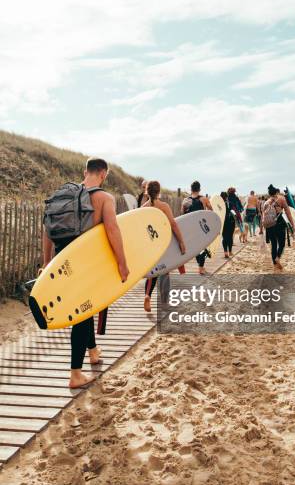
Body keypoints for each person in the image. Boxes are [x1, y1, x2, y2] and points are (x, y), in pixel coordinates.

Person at [41, 158, 129, 388]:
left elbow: (47, 231)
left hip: (61, 263)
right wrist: (122, 263)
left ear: (85, 172)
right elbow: (112, 229)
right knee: (83, 313)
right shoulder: (103, 198)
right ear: (103, 174)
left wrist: (47, 263)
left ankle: (93, 352)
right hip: (85, 265)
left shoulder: (63, 196)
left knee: (87, 307)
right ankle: (75, 374)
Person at [143, 181, 186, 312]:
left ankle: (147, 296)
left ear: (147, 191)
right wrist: (181, 241)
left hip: (150, 243)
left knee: (152, 272)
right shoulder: (164, 206)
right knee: (165, 271)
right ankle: (165, 301)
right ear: (158, 192)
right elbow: (173, 224)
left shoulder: (143, 207)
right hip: (163, 242)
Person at [182, 181, 212, 275]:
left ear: (191, 189)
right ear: (199, 189)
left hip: (190, 228)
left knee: (196, 248)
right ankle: (201, 268)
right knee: (202, 247)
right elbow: (211, 211)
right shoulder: (204, 199)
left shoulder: (185, 200)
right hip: (201, 227)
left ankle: (201, 266)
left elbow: (182, 215)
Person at [262, 184, 295, 271]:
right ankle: (278, 258)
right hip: (279, 223)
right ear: (276, 192)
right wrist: (292, 225)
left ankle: (275, 265)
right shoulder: (281, 199)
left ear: (269, 193)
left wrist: (263, 228)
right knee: (281, 244)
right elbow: (288, 212)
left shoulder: (266, 202)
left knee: (273, 244)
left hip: (269, 226)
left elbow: (263, 217)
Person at [221, 191, 235, 258]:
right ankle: (230, 251)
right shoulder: (231, 203)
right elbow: (234, 212)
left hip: (223, 222)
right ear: (226, 197)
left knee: (224, 237)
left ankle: (225, 252)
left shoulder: (219, 205)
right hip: (231, 222)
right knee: (230, 237)